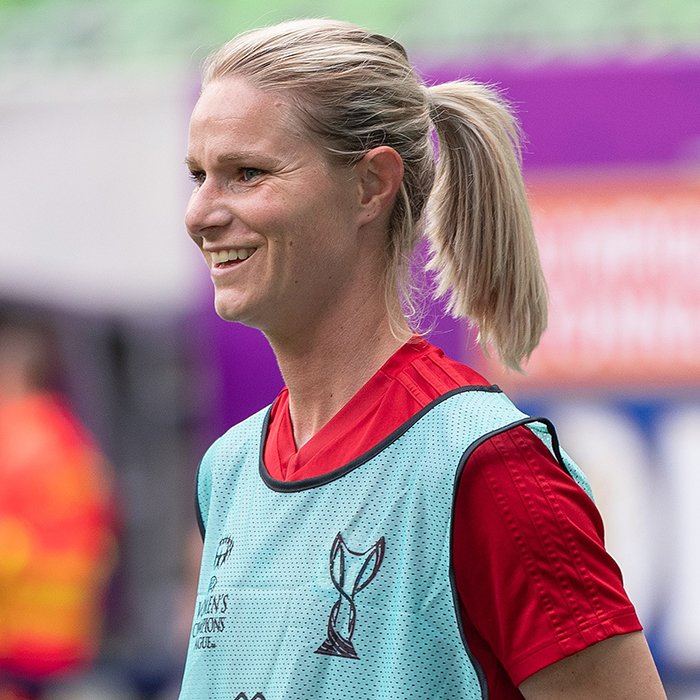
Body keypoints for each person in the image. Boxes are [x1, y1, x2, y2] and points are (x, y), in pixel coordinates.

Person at [179, 18, 666, 699]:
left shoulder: (488, 466)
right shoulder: (227, 470)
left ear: (371, 185)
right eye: (199, 175)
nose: (200, 213)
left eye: (247, 174)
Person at [0, 315, 116, 700]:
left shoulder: (10, 440)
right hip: (69, 638)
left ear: (11, 377)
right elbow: (103, 540)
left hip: (13, 639)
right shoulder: (76, 443)